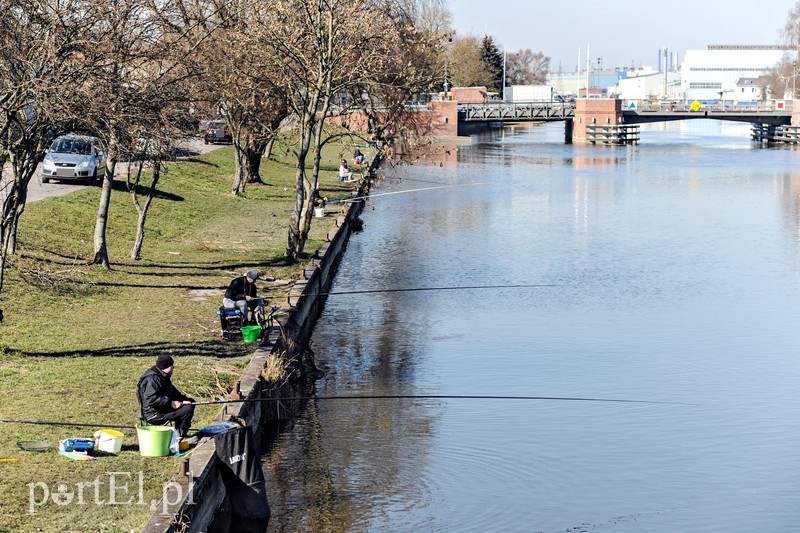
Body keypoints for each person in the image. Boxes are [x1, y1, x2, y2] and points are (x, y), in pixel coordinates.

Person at [137, 355, 195, 439]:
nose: (173, 367)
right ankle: (180, 437)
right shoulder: (152, 379)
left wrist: (183, 399)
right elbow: (152, 400)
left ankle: (179, 433)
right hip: (153, 414)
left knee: (190, 402)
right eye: (172, 365)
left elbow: (173, 392)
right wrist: (171, 403)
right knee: (187, 409)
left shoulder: (163, 376)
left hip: (162, 408)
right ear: (165, 366)